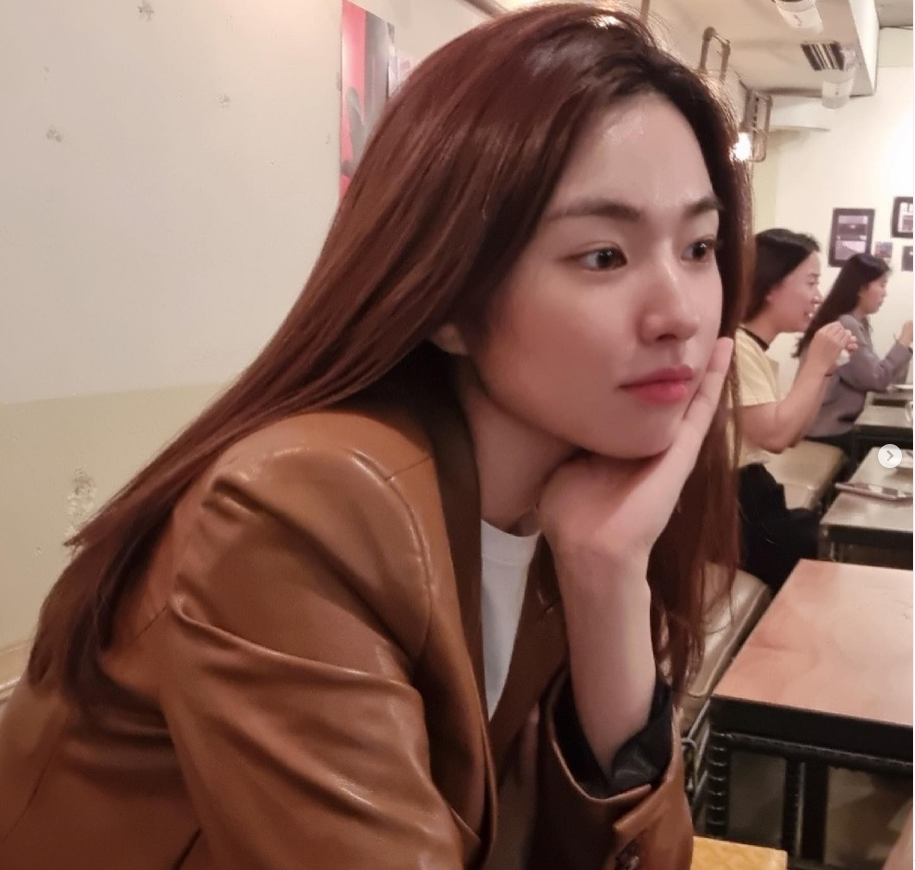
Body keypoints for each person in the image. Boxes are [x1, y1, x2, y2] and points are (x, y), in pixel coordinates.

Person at [0, 6, 752, 868]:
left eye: (698, 247)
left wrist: (607, 581)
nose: (679, 314)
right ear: (448, 298)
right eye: (603, 256)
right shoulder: (303, 508)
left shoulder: (580, 503)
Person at [733, 229, 856, 590]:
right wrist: (815, 364)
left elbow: (793, 435)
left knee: (819, 537)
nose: (818, 297)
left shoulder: (751, 348)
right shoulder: (736, 346)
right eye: (811, 282)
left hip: (752, 493)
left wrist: (825, 369)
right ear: (771, 286)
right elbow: (775, 436)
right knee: (820, 555)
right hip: (733, 503)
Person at [799, 253, 913, 453]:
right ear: (861, 288)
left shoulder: (855, 322)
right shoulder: (846, 324)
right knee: (897, 448)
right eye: (882, 285)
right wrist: (904, 340)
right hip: (827, 430)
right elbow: (877, 380)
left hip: (833, 427)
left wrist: (906, 346)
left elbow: (883, 379)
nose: (885, 293)